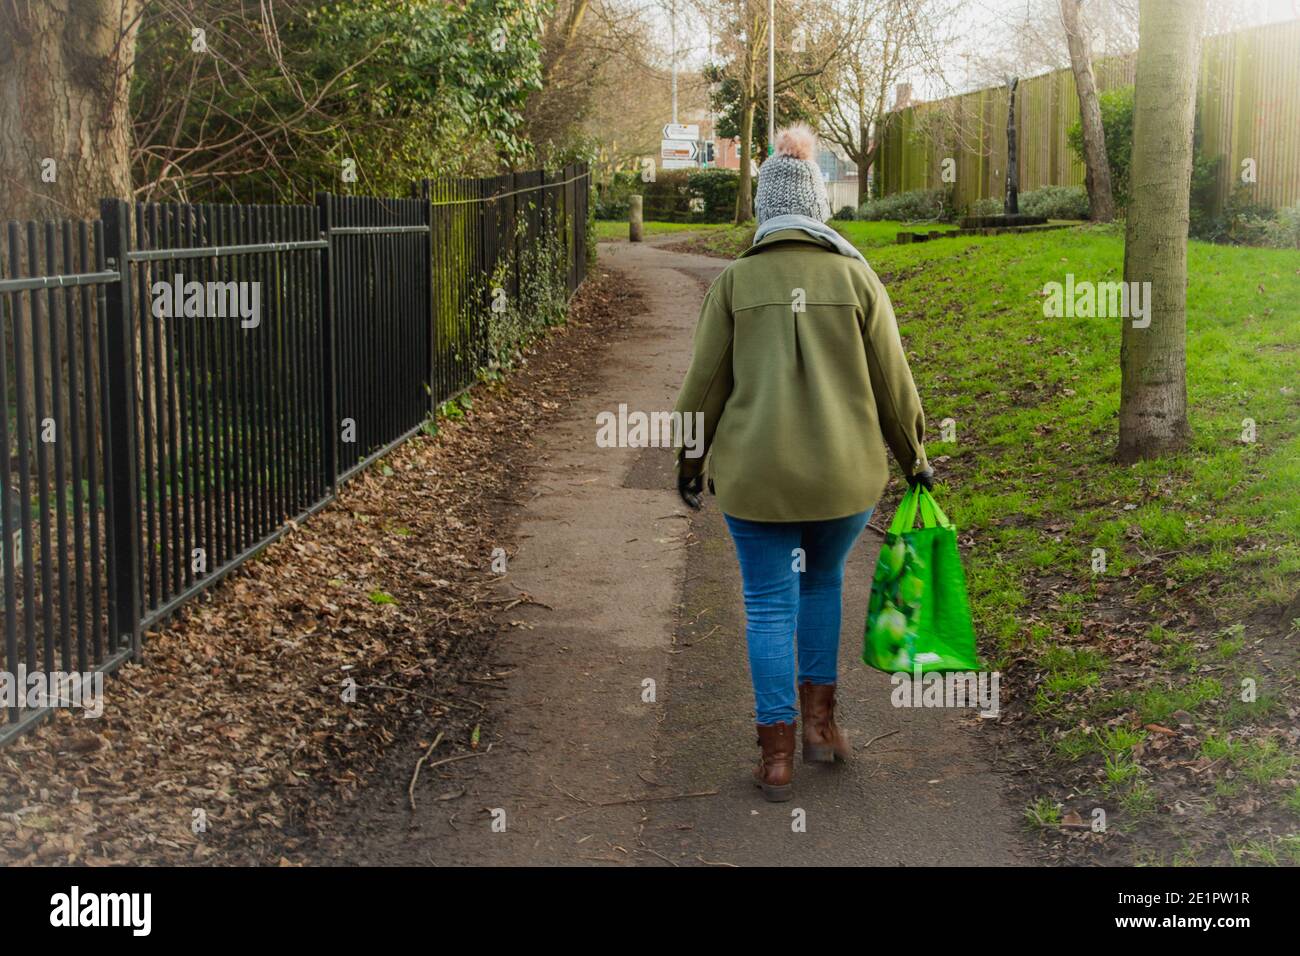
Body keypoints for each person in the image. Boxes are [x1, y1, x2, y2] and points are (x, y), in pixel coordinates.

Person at [672, 123, 934, 802]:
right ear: (819, 207)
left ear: (764, 209)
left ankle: (776, 757)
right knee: (822, 586)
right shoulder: (856, 278)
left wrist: (689, 463)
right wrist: (915, 460)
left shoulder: (735, 282)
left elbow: (704, 389)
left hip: (758, 482)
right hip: (843, 482)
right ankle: (822, 729)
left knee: (766, 607)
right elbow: (893, 384)